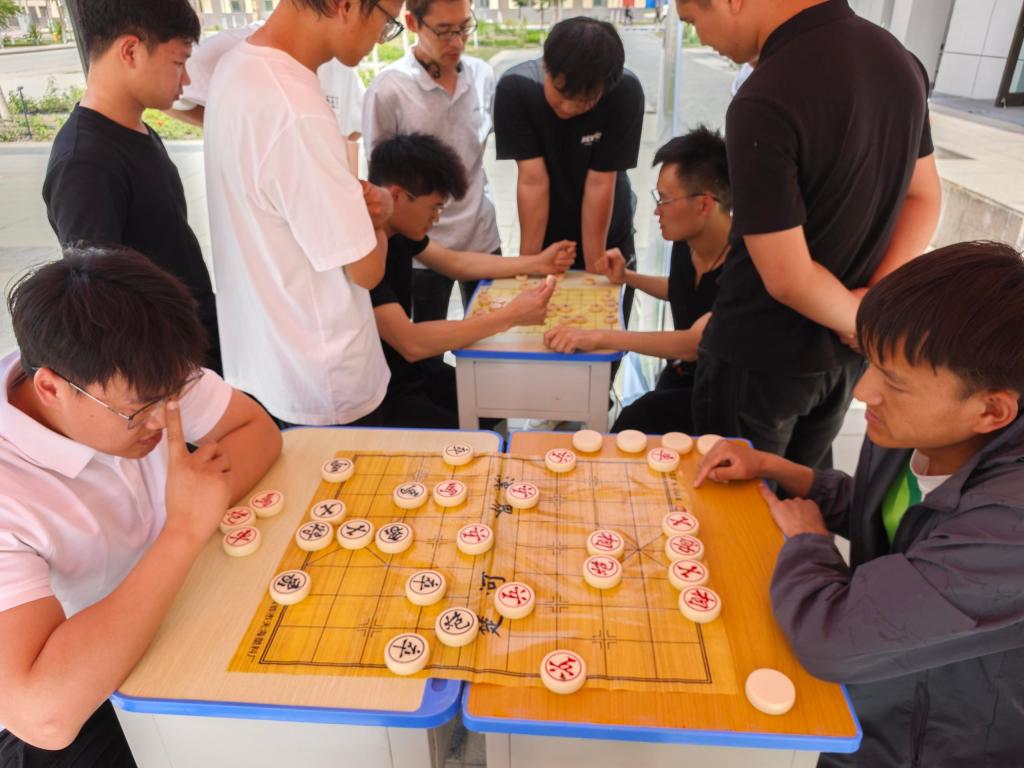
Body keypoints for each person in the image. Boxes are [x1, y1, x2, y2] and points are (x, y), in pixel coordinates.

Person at [694, 241, 1024, 768]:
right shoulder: (918, 430)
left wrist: (809, 542)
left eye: (894, 382)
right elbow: (894, 513)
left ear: (991, 411)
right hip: (875, 700)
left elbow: (829, 637)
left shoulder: (1010, 526)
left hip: (935, 738)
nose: (864, 391)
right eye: (871, 363)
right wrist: (779, 468)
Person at [0, 246, 281, 768]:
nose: (162, 421)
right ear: (51, 388)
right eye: (139, 412)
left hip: (173, 608)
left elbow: (257, 431)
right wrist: (184, 531)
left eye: (172, 396)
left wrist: (195, 514)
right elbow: (41, 715)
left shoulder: (140, 372)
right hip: (76, 696)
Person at [676, 0, 942, 469]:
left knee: (739, 504)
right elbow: (924, 198)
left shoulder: (764, 95)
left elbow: (786, 275)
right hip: (845, 359)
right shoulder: (900, 62)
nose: (701, 37)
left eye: (694, 20)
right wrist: (871, 308)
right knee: (807, 492)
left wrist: (859, 319)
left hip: (759, 358)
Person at [203, 0, 403, 428]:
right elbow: (366, 271)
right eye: (387, 22)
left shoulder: (235, 68)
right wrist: (382, 217)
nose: (382, 38)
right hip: (325, 382)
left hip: (266, 363)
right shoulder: (296, 110)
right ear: (346, 6)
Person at [41, 0, 222, 374]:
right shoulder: (84, 163)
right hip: (168, 366)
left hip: (197, 342)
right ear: (130, 51)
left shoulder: (136, 130)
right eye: (179, 62)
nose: (186, 80)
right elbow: (100, 304)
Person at [368, 133, 574, 428]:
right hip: (381, 392)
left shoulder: (399, 232)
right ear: (397, 195)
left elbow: (456, 263)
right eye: (433, 207)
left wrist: (537, 263)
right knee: (471, 434)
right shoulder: (365, 250)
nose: (436, 218)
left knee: (492, 402)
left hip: (409, 371)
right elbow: (410, 342)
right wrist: (511, 315)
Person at [543, 127, 731, 435]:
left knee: (635, 419)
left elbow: (693, 343)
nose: (656, 210)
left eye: (664, 200)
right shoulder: (688, 239)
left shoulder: (744, 264)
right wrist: (626, 277)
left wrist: (600, 337)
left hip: (724, 393)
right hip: (682, 373)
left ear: (703, 205)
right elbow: (683, 290)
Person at [363, 0, 499, 322]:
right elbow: (381, 180)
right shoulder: (389, 89)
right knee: (428, 342)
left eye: (464, 28)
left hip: (481, 237)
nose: (457, 42)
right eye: (444, 31)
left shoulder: (482, 75)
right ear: (412, 23)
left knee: (490, 337)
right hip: (422, 249)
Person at [494, 17, 645, 276]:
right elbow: (533, 181)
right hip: (549, 235)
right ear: (546, 67)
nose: (569, 107)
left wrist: (596, 267)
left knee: (604, 293)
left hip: (608, 232)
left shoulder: (625, 92)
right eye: (561, 92)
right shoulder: (517, 89)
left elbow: (600, 182)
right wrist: (528, 267)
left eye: (587, 100)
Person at [165, 21, 366, 174]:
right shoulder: (234, 49)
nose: (379, 40)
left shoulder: (342, 68)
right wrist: (233, 125)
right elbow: (168, 92)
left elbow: (352, 129)